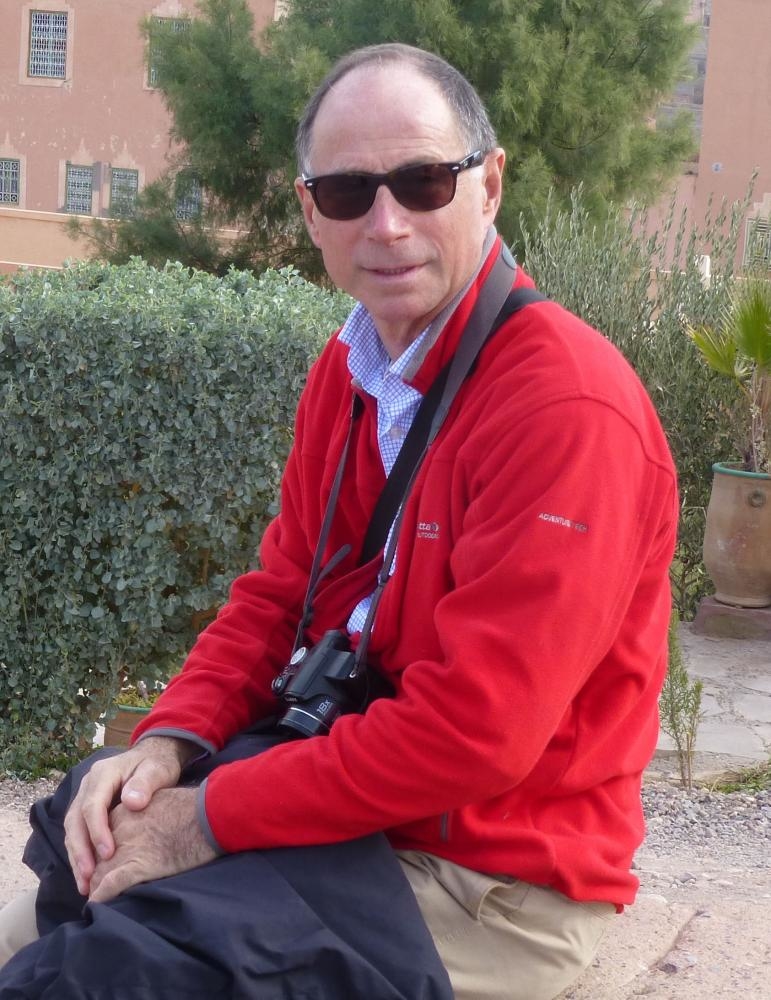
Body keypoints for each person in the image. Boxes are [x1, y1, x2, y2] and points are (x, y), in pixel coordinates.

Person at [0, 43, 678, 1000]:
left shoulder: (566, 408)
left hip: (483, 882)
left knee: (103, 973)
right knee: (41, 920)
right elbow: (280, 597)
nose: (387, 224)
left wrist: (208, 816)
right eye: (350, 191)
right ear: (310, 210)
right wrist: (165, 747)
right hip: (336, 818)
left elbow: (474, 735)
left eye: (423, 181)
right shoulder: (352, 370)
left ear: (488, 185)